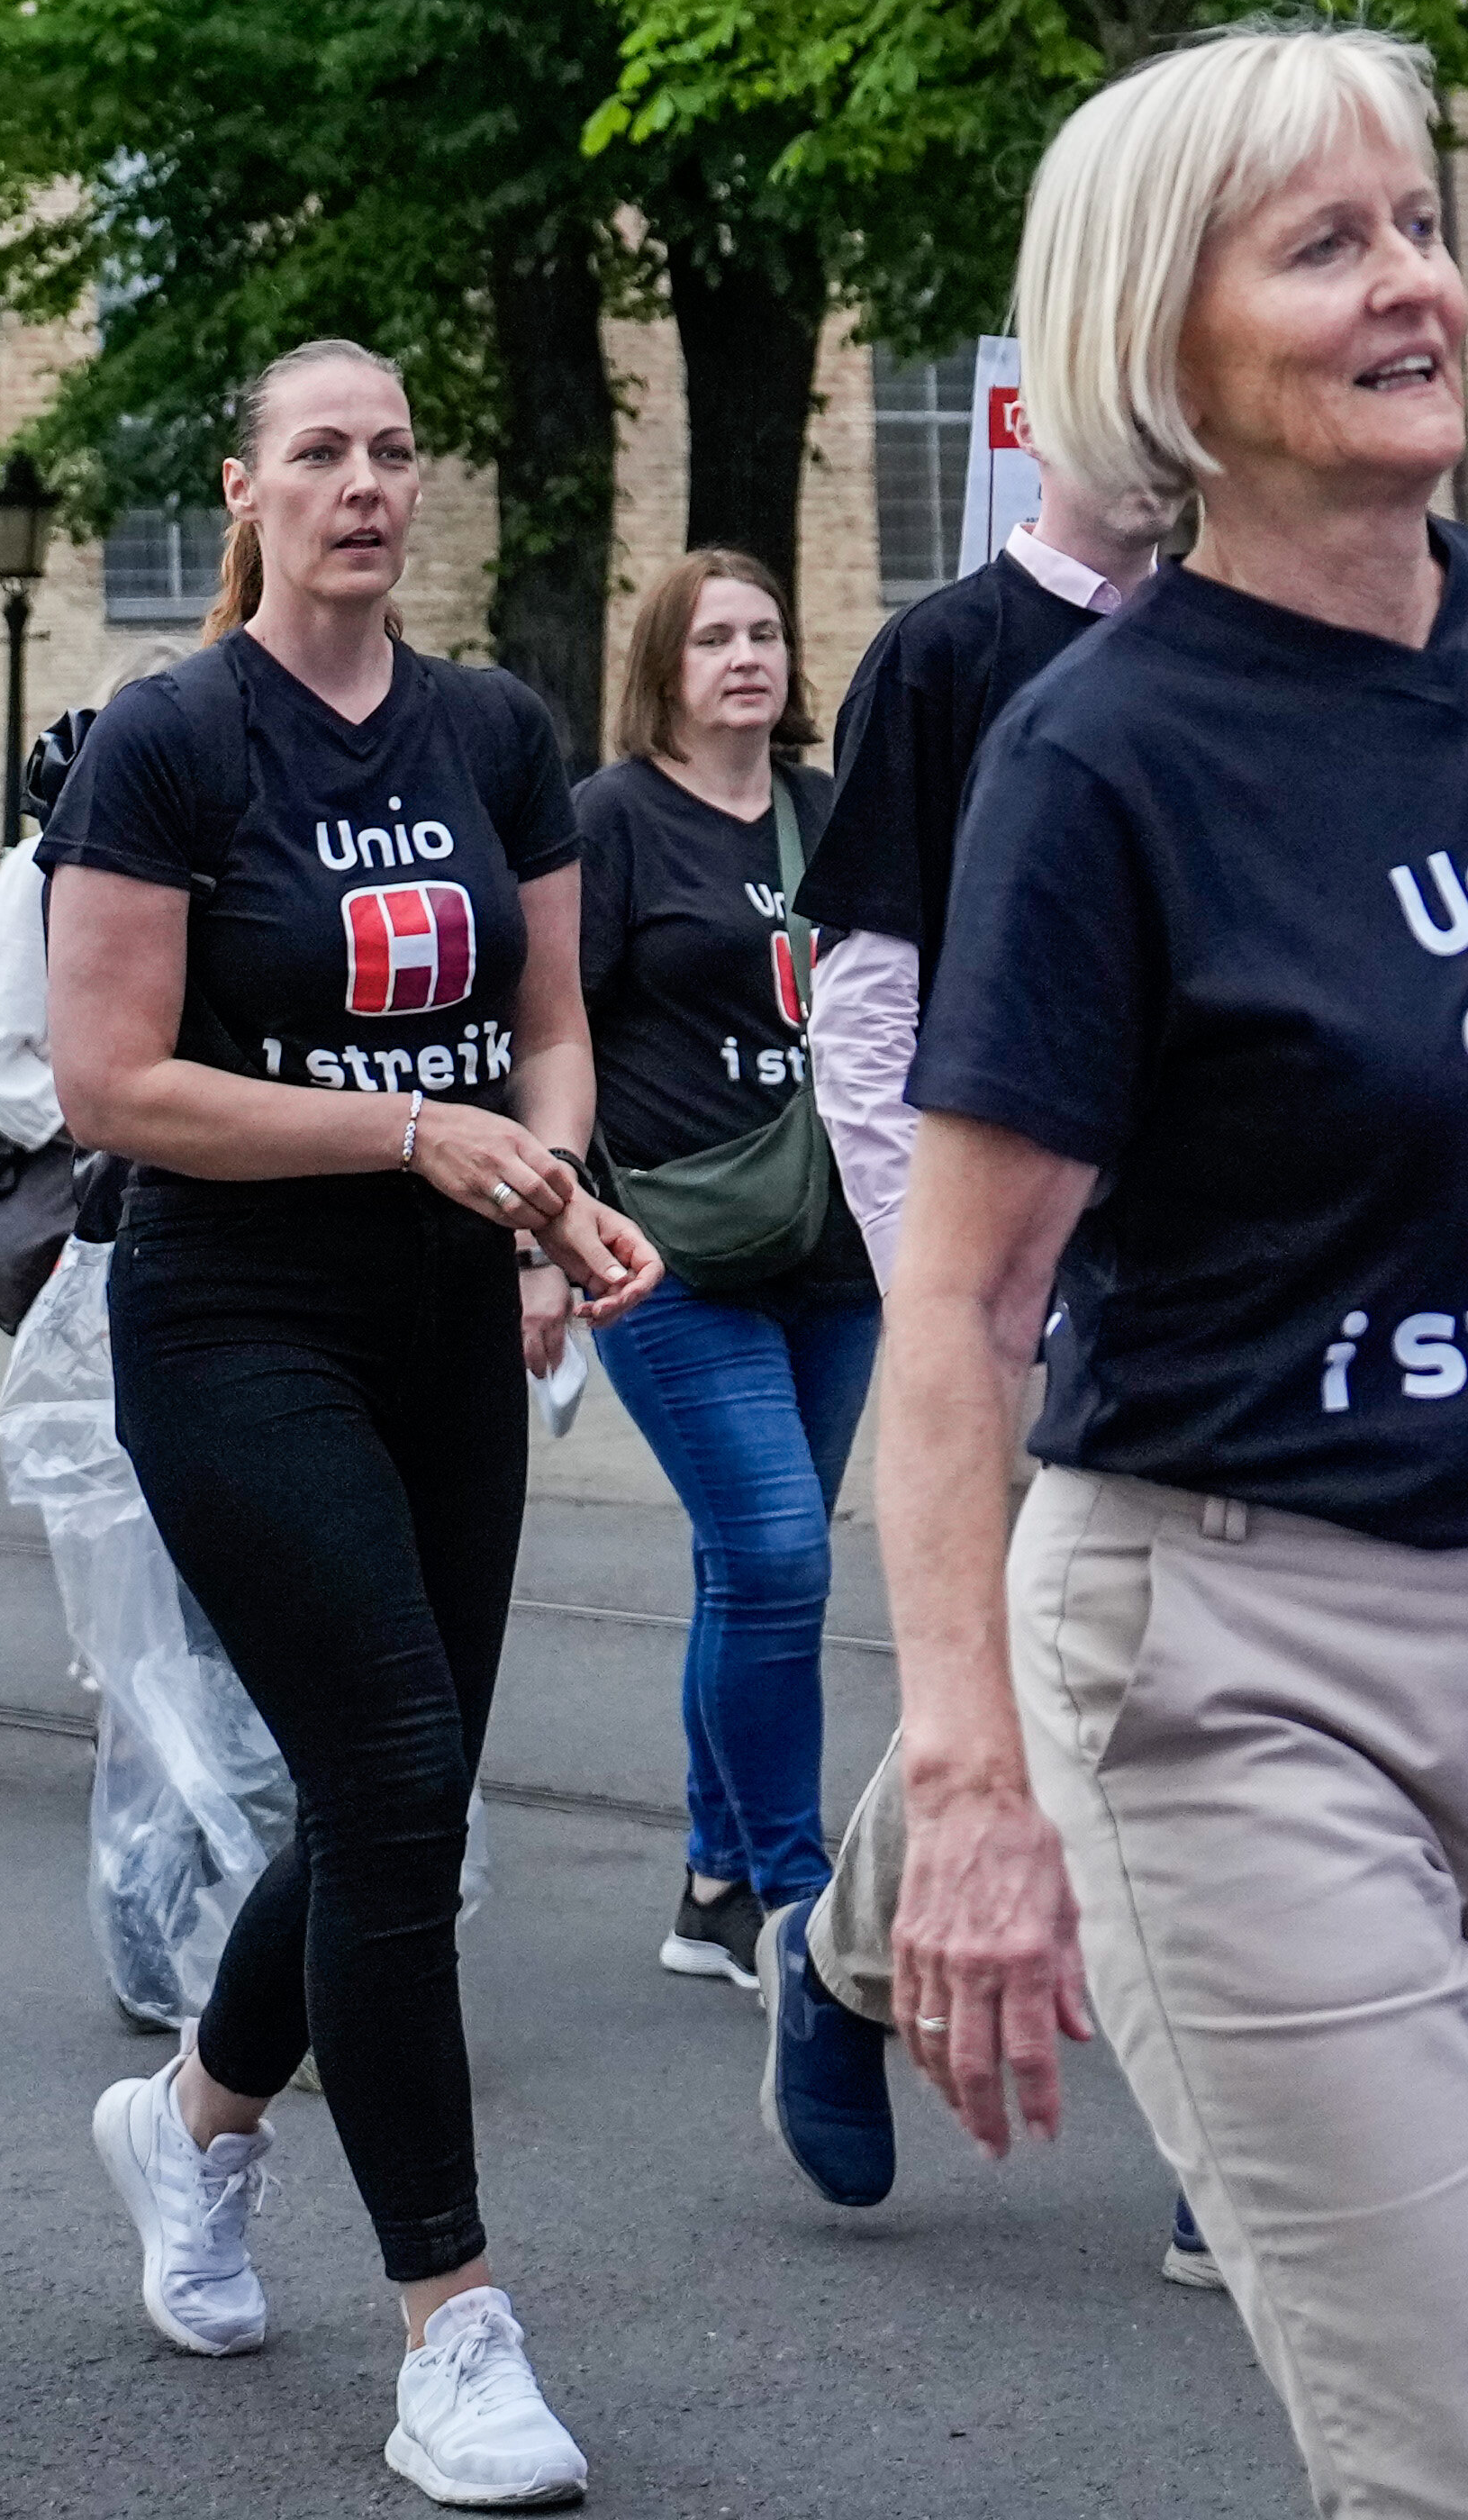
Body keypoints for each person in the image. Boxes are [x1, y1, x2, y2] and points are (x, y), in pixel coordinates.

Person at [871, 25, 1468, 2520]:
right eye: (1327, 244)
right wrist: (975, 1785)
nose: (1415, 278)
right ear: (1159, 340)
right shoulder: (1105, 758)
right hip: (1238, 1665)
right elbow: (966, 1310)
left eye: (1417, 219)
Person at [49, 338, 668, 2511]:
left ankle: (196, 2122)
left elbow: (557, 1024)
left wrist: (550, 1200)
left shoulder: (492, 725)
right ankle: (454, 2324)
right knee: (400, 1776)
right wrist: (413, 1126)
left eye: (397, 444)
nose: (366, 479)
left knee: (386, 1792)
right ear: (247, 481)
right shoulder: (166, 733)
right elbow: (109, 1080)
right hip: (232, 1312)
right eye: (321, 447)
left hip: (444, 1314)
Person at [759, 431, 1173, 2207]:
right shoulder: (948, 657)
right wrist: (935, 1293)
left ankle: (1233, 2141)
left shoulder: (1242, 637)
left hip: (1222, 1263)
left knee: (1212, 1665)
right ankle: (845, 1962)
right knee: (1073, 1664)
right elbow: (866, 1012)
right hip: (1016, 1268)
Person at [569, 546, 878, 1992]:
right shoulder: (614, 823)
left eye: (764, 634)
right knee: (775, 1553)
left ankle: (709, 1881)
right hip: (669, 1256)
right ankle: (791, 1895)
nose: (746, 658)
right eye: (714, 642)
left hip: (835, 1255)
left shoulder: (833, 813)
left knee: (752, 1569)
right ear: (663, 673)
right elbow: (546, 1033)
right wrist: (544, 1226)